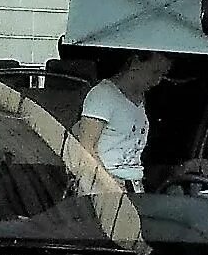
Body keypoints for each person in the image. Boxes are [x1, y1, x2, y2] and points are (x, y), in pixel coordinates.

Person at [72, 50, 172, 188]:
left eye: (162, 75)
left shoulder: (140, 98)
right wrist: (108, 184)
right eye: (155, 72)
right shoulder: (103, 95)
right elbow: (85, 148)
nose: (157, 81)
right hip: (104, 185)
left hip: (133, 184)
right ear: (135, 63)